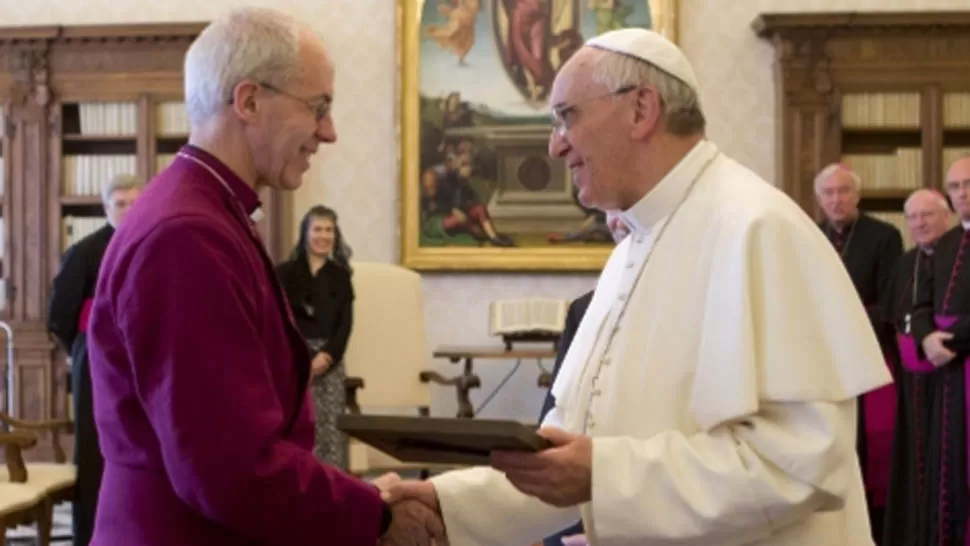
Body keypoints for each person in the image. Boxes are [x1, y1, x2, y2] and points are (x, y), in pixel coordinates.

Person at [382, 28, 892, 546]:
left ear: (641, 109)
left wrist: (604, 474)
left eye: (566, 117)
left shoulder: (757, 228)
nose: (556, 146)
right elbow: (565, 457)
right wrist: (448, 505)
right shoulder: (634, 245)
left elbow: (799, 465)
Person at [84, 7, 442, 546]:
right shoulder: (186, 235)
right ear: (249, 101)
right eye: (318, 107)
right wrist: (374, 514)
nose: (329, 131)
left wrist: (354, 495)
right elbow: (230, 469)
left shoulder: (208, 211)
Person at [47, 173, 142, 546]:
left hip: (143, 361)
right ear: (106, 208)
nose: (129, 211)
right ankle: (89, 537)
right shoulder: (84, 251)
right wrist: (85, 350)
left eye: (135, 203)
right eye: (120, 204)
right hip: (96, 361)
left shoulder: (152, 244)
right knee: (93, 451)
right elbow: (60, 316)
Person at [814, 163, 904, 541]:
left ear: (857, 195)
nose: (836, 199)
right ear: (819, 198)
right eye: (829, 193)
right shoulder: (811, 234)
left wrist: (842, 319)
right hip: (821, 358)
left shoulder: (883, 236)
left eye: (844, 191)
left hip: (870, 354)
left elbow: (889, 301)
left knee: (871, 450)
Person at [538, 212, 628, 546]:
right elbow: (553, 432)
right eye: (612, 213)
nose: (616, 223)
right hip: (574, 514)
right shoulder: (585, 310)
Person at [895, 156, 970, 545]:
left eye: (968, 184)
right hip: (948, 368)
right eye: (955, 186)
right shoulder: (948, 243)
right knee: (948, 466)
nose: (962, 194)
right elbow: (920, 302)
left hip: (961, 357)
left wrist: (951, 342)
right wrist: (926, 338)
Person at [881, 188, 954, 545]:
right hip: (911, 383)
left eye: (927, 215)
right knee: (913, 461)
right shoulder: (904, 263)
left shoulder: (958, 257)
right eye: (912, 217)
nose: (919, 223)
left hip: (950, 379)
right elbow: (891, 314)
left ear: (948, 216)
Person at [277, 205, 355, 469]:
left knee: (331, 431)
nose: (324, 235)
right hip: (292, 359)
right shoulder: (284, 273)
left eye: (329, 229)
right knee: (295, 427)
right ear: (305, 233)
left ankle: (333, 490)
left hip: (330, 360)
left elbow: (345, 326)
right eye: (318, 229)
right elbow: (280, 321)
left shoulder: (341, 276)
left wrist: (326, 356)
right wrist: (306, 359)